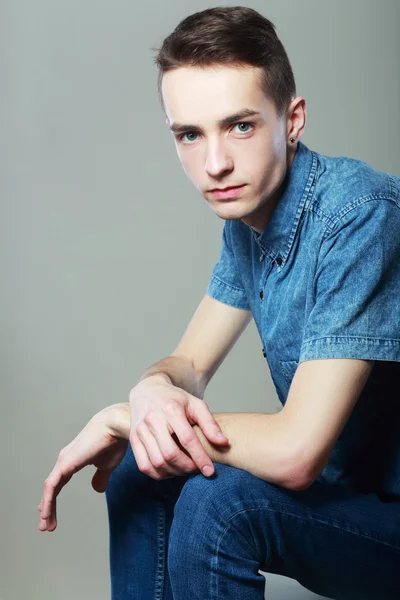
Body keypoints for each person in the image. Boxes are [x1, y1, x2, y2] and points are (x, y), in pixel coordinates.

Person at [37, 6, 400, 599]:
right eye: (189, 134)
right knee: (141, 469)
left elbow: (296, 451)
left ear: (292, 120)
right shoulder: (249, 220)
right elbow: (190, 365)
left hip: (386, 518)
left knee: (217, 500)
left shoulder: (359, 214)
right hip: (348, 502)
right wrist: (151, 390)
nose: (214, 165)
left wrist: (124, 419)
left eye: (240, 126)